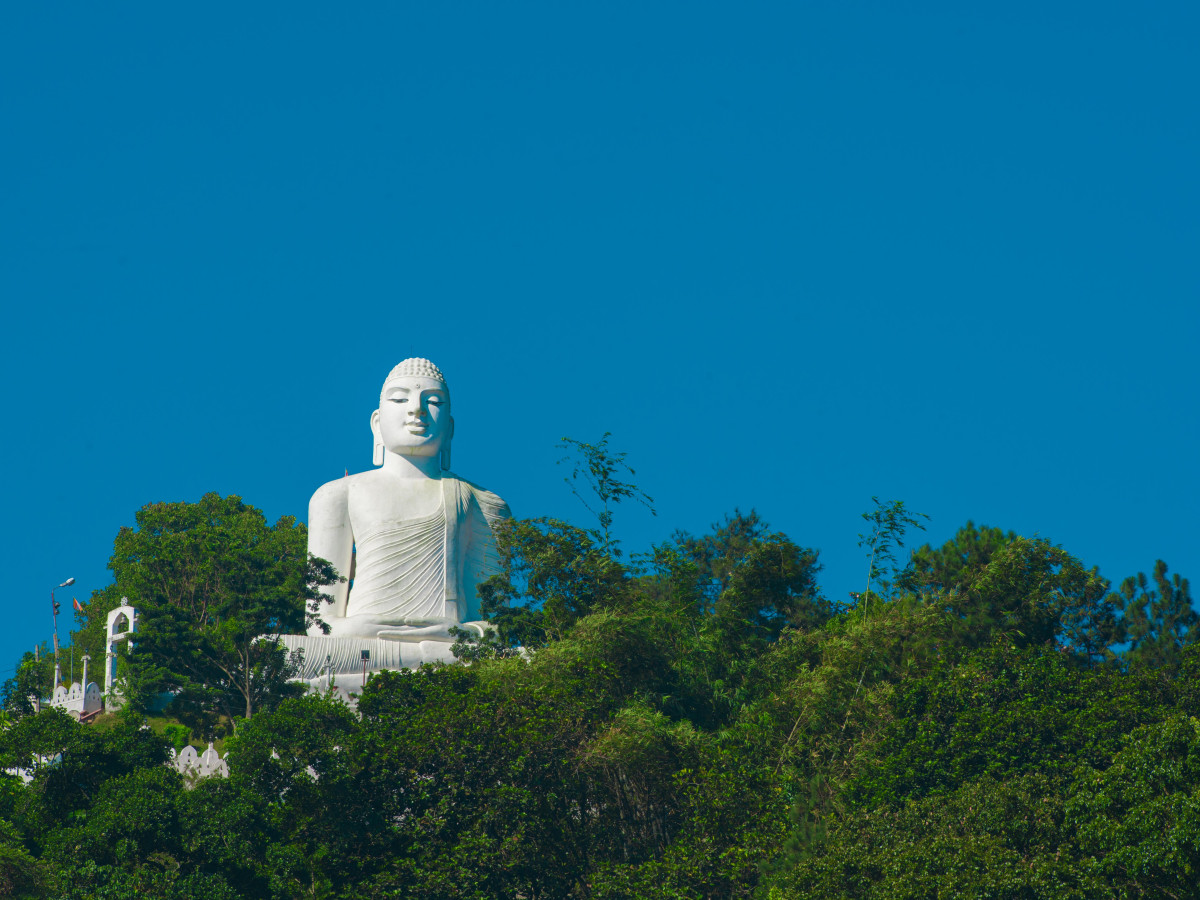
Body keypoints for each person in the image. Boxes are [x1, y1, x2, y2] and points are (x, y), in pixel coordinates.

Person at [283, 358, 510, 683]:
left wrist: (460, 632)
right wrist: (365, 627)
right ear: (376, 423)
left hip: (448, 646)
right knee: (278, 654)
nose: (416, 410)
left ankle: (425, 659)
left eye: (433, 402)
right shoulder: (337, 495)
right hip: (361, 645)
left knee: (522, 659)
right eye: (400, 399)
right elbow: (320, 624)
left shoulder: (480, 503)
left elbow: (496, 627)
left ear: (450, 429)